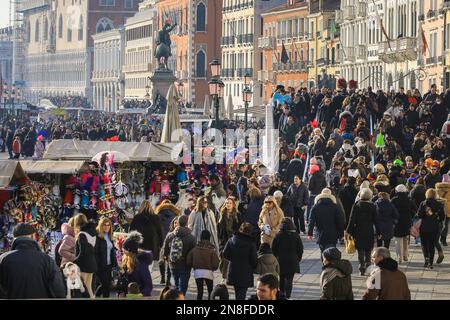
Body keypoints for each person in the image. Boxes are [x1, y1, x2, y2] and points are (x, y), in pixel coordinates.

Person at [0, 223, 65, 299]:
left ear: (14, 238)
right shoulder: (47, 260)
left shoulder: (3, 259)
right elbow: (58, 290)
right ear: (33, 236)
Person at [222, 222, 258, 300]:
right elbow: (254, 260)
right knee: (242, 293)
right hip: (246, 272)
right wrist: (253, 267)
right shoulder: (251, 243)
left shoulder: (232, 240)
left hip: (233, 270)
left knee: (237, 292)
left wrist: (233, 259)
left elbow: (225, 254)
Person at [346, 188, 378, 275]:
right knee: (368, 249)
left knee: (360, 249)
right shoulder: (373, 206)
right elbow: (376, 220)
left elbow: (351, 219)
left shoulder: (356, 205)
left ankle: (361, 266)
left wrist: (348, 231)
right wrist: (379, 232)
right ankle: (368, 264)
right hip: (369, 230)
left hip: (358, 230)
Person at [163, 215, 196, 296]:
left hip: (173, 263)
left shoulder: (170, 235)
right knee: (183, 286)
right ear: (186, 223)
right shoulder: (191, 237)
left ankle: (177, 297)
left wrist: (168, 259)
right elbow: (193, 252)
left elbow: (165, 249)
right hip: (185, 264)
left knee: (176, 284)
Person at [272, 218, 303, 299]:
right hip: (292, 260)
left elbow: (273, 249)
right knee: (289, 280)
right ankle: (288, 296)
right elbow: (300, 249)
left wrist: (275, 258)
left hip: (281, 260)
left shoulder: (278, 235)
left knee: (281, 279)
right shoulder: (295, 235)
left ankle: (282, 294)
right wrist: (298, 259)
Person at [307, 188, 345, 254]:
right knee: (332, 251)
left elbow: (311, 220)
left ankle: (324, 263)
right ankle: (331, 263)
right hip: (333, 234)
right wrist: (341, 234)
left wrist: (310, 233)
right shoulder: (335, 207)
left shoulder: (315, 207)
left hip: (321, 233)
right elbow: (340, 221)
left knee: (323, 251)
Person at [186, 230, 220, 300]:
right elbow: (216, 263)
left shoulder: (195, 249)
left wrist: (193, 266)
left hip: (197, 272)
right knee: (210, 291)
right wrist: (213, 268)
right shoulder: (212, 250)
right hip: (208, 272)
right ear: (209, 238)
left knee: (200, 291)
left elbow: (188, 261)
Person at [417, 189, 446, 269]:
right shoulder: (439, 204)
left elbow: (419, 215)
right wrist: (437, 218)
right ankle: (431, 262)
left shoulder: (423, 203)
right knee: (432, 245)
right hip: (434, 227)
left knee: (424, 244)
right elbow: (442, 217)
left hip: (424, 227)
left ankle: (426, 259)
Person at [129, 200, 164, 266]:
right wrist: (161, 244)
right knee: (150, 264)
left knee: (141, 264)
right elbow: (160, 232)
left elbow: (131, 232)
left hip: (140, 244)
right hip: (153, 244)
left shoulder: (137, 217)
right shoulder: (156, 217)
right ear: (150, 207)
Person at [155, 199, 180, 285]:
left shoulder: (158, 215)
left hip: (161, 239)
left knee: (161, 258)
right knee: (169, 258)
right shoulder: (176, 214)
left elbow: (156, 230)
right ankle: (168, 279)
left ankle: (162, 278)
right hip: (172, 238)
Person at [121, 231, 153, 296]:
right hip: (129, 295)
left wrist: (140, 295)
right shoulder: (126, 259)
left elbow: (148, 285)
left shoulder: (141, 264)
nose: (123, 250)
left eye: (124, 249)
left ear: (130, 251)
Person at [391, 184, 417, 263]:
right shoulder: (409, 199)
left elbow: (391, 210)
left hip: (397, 221)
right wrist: (411, 215)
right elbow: (415, 209)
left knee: (398, 239)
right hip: (407, 221)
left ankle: (399, 257)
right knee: (405, 238)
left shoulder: (394, 200)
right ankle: (405, 255)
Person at [74, 214, 97, 298]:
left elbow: (82, 252)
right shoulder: (92, 233)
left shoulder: (81, 235)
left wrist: (74, 261)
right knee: (89, 287)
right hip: (91, 263)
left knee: (82, 288)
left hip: (84, 264)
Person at [217, 197, 241, 279]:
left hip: (233, 239)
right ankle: (224, 273)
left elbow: (240, 228)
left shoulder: (237, 215)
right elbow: (218, 228)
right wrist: (219, 237)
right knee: (223, 257)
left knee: (231, 258)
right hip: (223, 239)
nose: (228, 205)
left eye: (230, 203)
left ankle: (227, 276)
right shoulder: (221, 214)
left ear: (233, 205)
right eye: (227, 203)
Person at [95, 217, 117, 298]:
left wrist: (115, 263)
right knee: (106, 286)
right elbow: (95, 253)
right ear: (101, 225)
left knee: (106, 284)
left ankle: (95, 296)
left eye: (109, 225)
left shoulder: (109, 236)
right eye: (105, 225)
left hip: (109, 265)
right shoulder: (97, 237)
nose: (107, 227)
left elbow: (112, 251)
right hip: (100, 266)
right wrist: (97, 265)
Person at [436, 179, 450, 246]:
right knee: (446, 225)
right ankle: (443, 240)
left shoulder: (437, 189)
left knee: (439, 225)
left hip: (438, 210)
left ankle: (437, 239)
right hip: (448, 210)